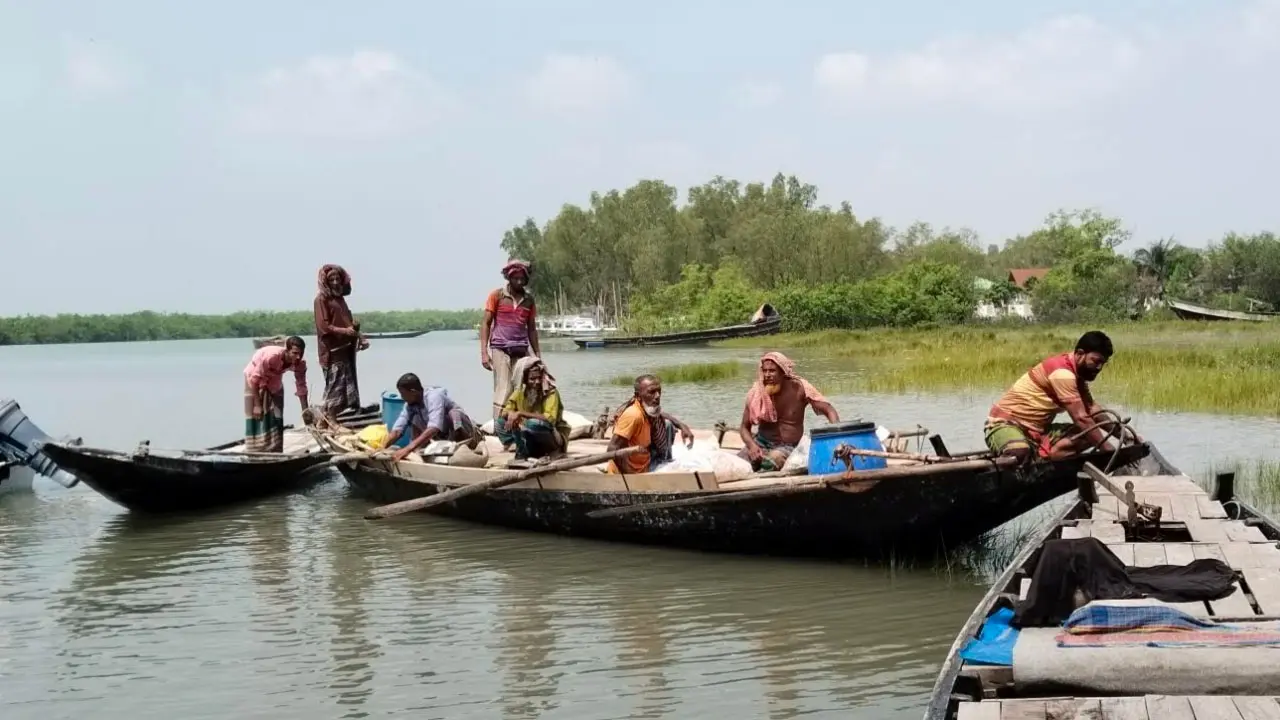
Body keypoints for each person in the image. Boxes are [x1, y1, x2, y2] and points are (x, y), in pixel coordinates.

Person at [985, 330, 1139, 463]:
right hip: (1005, 424)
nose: (1099, 367)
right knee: (1019, 453)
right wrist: (1108, 451)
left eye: (1103, 363)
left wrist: (1125, 436)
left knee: (1091, 435)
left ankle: (1045, 455)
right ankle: (1038, 456)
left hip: (1039, 431)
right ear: (1079, 354)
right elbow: (1081, 418)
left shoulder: (1077, 376)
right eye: (1096, 361)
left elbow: (1092, 409)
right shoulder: (1062, 374)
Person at [737, 352, 840, 471]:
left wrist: (837, 436)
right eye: (765, 371)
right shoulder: (757, 392)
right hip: (761, 442)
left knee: (770, 462)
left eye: (772, 371)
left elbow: (829, 410)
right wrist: (751, 446)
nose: (767, 375)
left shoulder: (800, 388)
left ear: (783, 372)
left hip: (787, 446)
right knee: (738, 464)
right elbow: (744, 427)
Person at [480, 260, 540, 441]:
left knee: (520, 388)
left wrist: (537, 355)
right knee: (504, 387)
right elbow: (486, 323)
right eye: (516, 278)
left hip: (520, 349)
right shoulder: (497, 296)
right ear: (509, 278)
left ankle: (516, 426)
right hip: (500, 347)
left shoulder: (529, 301)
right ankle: (500, 430)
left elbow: (531, 329)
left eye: (522, 278)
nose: (519, 282)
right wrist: (484, 352)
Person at [606, 374, 695, 474]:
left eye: (659, 391)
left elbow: (661, 414)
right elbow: (612, 449)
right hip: (634, 470)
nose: (657, 396)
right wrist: (630, 478)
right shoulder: (633, 415)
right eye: (652, 392)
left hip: (645, 459)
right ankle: (662, 464)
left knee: (668, 425)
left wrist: (681, 425)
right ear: (638, 396)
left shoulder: (645, 409)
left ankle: (664, 460)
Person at [314, 264, 369, 423]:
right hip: (332, 351)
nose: (336, 282)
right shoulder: (321, 299)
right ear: (326, 281)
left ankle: (328, 420)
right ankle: (329, 420)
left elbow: (348, 322)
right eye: (332, 279)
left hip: (346, 349)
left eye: (338, 278)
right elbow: (323, 326)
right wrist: (345, 332)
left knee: (346, 389)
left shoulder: (340, 300)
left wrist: (360, 337)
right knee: (334, 388)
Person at [384, 373, 482, 463]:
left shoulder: (434, 397)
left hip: (462, 431)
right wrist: (381, 447)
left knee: (454, 414)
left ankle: (466, 446)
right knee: (415, 419)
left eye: (403, 394)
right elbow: (397, 430)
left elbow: (434, 427)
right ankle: (419, 452)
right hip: (441, 438)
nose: (402, 397)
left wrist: (407, 449)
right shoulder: (410, 405)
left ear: (413, 392)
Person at [496, 355, 572, 460]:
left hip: (551, 435)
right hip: (526, 431)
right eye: (532, 379)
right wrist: (511, 414)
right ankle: (521, 448)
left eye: (539, 378)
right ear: (525, 380)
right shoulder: (519, 392)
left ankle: (550, 450)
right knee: (500, 423)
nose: (537, 382)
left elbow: (550, 419)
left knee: (533, 424)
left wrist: (521, 413)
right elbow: (505, 411)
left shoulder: (551, 392)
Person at [243, 336, 310, 453]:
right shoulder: (272, 357)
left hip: (274, 379)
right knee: (256, 414)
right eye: (294, 353)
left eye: (301, 353)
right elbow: (254, 380)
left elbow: (301, 387)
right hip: (254, 377)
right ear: (287, 350)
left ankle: (276, 449)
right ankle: (255, 450)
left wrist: (305, 411)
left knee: (277, 415)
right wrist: (257, 405)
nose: (298, 357)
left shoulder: (300, 363)